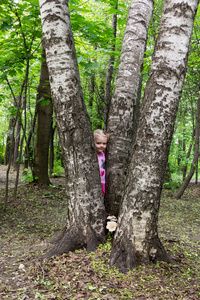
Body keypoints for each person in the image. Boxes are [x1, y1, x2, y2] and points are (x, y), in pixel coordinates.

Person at [93, 129, 109, 196]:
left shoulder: (104, 155)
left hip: (103, 181)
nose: (101, 145)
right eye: (98, 143)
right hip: (94, 181)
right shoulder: (92, 155)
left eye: (104, 143)